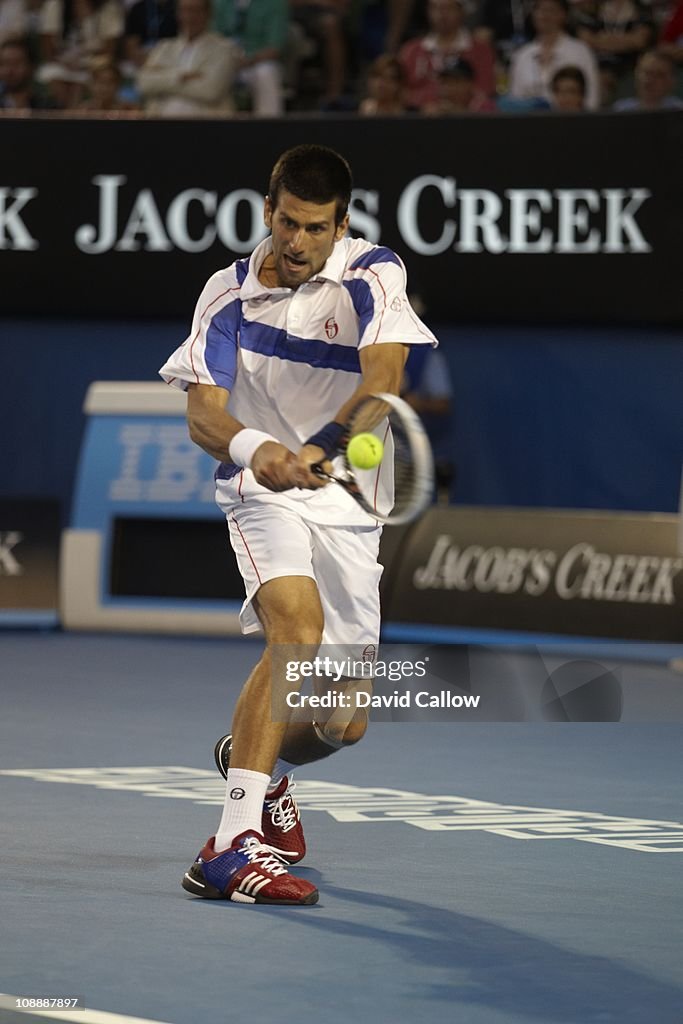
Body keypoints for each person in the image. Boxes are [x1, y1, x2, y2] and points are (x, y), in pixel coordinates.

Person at [159, 144, 437, 906]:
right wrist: (263, 452)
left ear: (340, 226)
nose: (297, 241)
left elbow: (383, 379)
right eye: (286, 222)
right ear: (267, 211)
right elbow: (203, 417)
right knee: (296, 631)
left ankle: (260, 767)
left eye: (316, 228)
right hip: (261, 492)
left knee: (342, 722)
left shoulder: (372, 273)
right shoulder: (225, 294)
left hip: (348, 501)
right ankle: (228, 846)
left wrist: (323, 447)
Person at [137, 0, 238, 116]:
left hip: (207, 121)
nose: (189, 16)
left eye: (196, 11)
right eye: (185, 10)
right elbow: (144, 83)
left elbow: (211, 90)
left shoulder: (224, 49)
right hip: (161, 120)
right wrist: (181, 76)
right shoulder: (164, 47)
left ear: (208, 14)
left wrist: (163, 79)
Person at [399, 0, 496, 110]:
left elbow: (485, 89)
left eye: (448, 8)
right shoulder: (412, 50)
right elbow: (400, 91)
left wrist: (455, 108)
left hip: (469, 116)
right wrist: (425, 106)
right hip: (420, 116)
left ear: (462, 11)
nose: (441, 14)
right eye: (435, 8)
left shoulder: (481, 50)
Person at [507, 0, 600, 108]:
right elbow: (515, 100)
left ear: (564, 15)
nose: (544, 15)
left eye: (550, 10)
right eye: (539, 9)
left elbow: (592, 98)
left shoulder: (580, 51)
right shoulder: (522, 55)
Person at [613, 47, 683, 108]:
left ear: (671, 81)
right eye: (646, 73)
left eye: (659, 75)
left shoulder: (679, 109)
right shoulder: (620, 110)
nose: (650, 80)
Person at [423, 53, 496, 111]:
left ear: (470, 83)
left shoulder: (484, 105)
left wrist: (456, 112)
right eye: (444, 82)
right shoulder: (436, 104)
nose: (448, 87)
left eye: (455, 82)